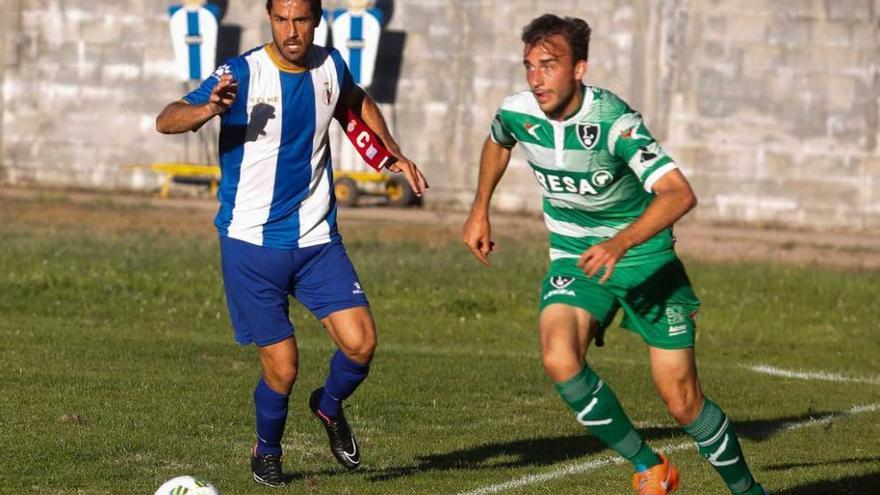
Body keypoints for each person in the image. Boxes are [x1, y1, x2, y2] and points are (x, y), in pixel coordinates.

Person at [462, 14, 766, 495]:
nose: (536, 79)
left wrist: (621, 241)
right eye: (529, 67)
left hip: (646, 261)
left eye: (549, 66)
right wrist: (480, 209)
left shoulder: (613, 122)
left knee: (682, 401)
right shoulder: (519, 111)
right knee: (559, 357)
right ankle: (651, 466)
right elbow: (498, 140)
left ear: (579, 68)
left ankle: (747, 491)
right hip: (574, 257)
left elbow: (678, 194)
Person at [156, 0, 428, 487]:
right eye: (281, 19)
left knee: (362, 344)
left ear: (317, 19)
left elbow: (356, 103)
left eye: (300, 19)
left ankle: (328, 407)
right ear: (270, 19)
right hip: (250, 246)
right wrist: (207, 108)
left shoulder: (330, 66)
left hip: (317, 239)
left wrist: (393, 156)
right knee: (283, 369)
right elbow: (167, 118)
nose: (291, 30)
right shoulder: (241, 73)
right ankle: (267, 450)